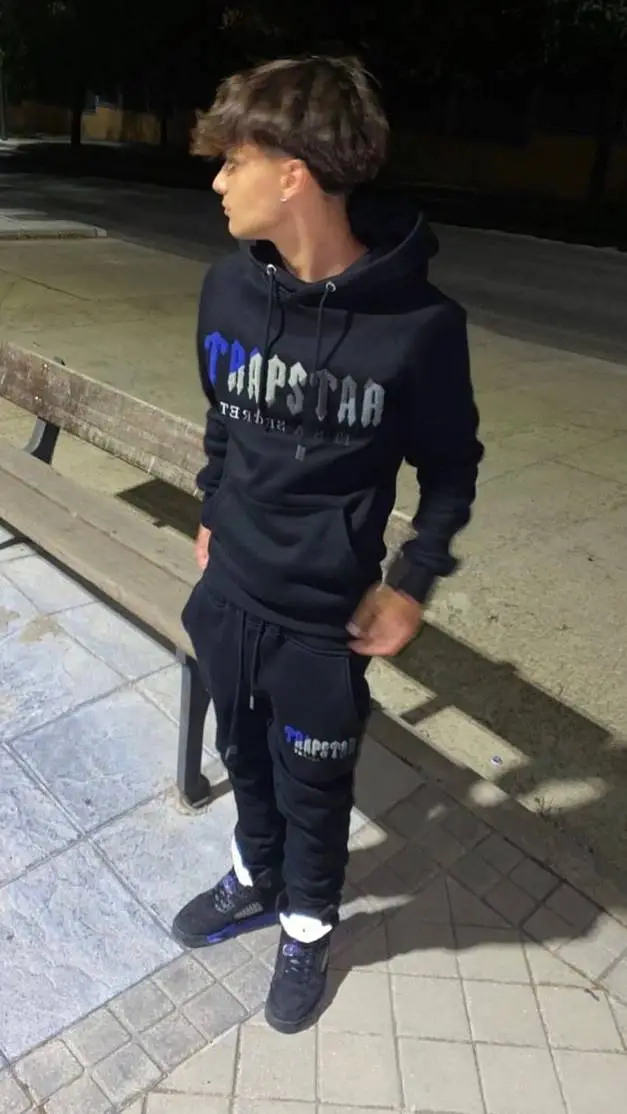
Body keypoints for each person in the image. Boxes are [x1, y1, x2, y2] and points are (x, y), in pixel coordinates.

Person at [173, 55, 483, 1034]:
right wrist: (213, 503)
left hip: (321, 626)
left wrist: (412, 581)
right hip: (227, 597)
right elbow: (223, 416)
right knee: (241, 755)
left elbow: (452, 468)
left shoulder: (419, 328)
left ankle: (307, 926)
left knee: (314, 787)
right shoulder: (227, 291)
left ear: (293, 172)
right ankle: (252, 873)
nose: (218, 182)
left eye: (233, 161)